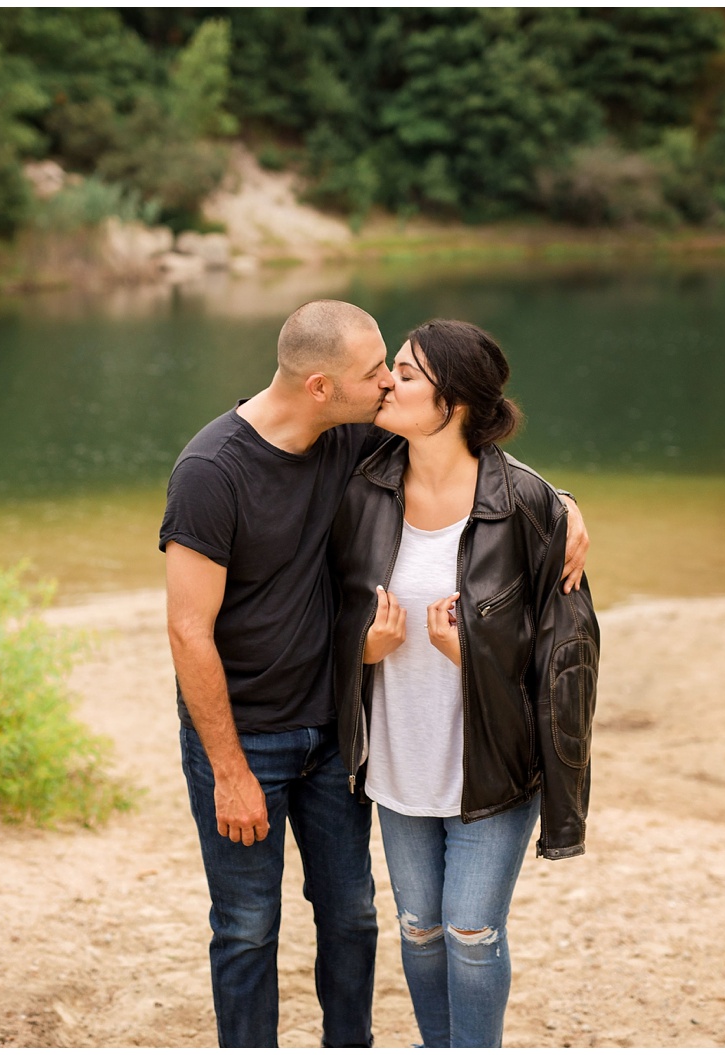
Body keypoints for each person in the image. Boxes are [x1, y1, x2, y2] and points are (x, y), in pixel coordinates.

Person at [160, 300, 590, 1048]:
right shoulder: (214, 470)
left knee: (356, 916)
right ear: (323, 388)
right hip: (249, 736)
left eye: (396, 370)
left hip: (335, 733)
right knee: (248, 926)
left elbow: (476, 461)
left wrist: (564, 504)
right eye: (375, 373)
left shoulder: (354, 438)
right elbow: (187, 629)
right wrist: (228, 768)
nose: (386, 386)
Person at [329, 319, 599, 1048]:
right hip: (398, 759)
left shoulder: (530, 507)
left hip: (496, 765)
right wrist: (363, 649)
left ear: (457, 403)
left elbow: (565, 664)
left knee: (471, 930)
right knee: (419, 928)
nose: (388, 380)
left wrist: (469, 654)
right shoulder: (361, 487)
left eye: (407, 374)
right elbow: (323, 616)